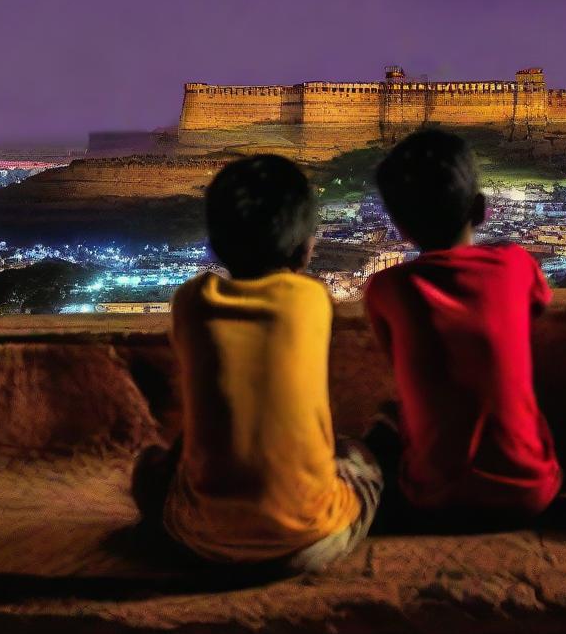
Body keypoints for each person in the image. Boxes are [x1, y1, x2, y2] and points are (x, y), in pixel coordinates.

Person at [131, 154, 381, 572]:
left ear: (215, 244)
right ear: (305, 248)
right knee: (363, 462)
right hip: (310, 543)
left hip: (201, 541)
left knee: (148, 469)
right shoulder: (311, 300)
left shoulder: (191, 302)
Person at [363, 129, 561, 528]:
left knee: (382, 428)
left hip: (434, 499)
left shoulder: (388, 288)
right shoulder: (516, 265)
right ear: (481, 209)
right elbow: (538, 308)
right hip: (532, 492)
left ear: (399, 227)